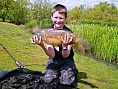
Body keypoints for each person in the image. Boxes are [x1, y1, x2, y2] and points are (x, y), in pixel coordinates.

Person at [32, 4, 78, 89]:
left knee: (66, 82)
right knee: (48, 80)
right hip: (53, 60)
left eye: (61, 18)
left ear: (65, 19)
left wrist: (64, 46)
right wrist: (42, 44)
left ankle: (72, 70)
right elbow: (52, 55)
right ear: (51, 17)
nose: (58, 20)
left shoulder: (68, 33)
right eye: (56, 17)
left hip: (67, 60)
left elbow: (65, 55)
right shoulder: (47, 32)